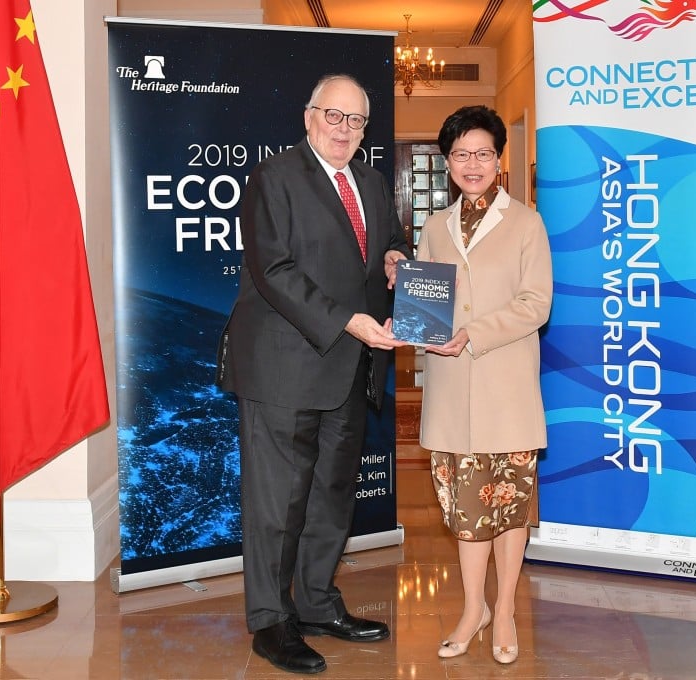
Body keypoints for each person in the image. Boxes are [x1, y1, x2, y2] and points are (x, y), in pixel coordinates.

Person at [218, 74, 412, 675]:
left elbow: (387, 243)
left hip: (349, 370)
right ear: (309, 117)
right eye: (334, 115)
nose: (344, 129)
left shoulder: (374, 184)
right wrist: (349, 320)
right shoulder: (273, 179)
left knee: (331, 498)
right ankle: (272, 622)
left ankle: (319, 604)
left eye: (356, 120)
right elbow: (274, 270)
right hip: (285, 368)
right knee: (278, 505)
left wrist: (394, 258)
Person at [417, 105, 552, 665]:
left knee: (508, 509)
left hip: (507, 387)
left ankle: (507, 607)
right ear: (448, 163)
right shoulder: (433, 226)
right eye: (460, 154)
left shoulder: (526, 223)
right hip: (451, 391)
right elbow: (425, 308)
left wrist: (474, 332)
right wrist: (420, 327)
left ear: (500, 160)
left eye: (483, 153)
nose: (472, 164)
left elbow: (535, 304)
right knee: (467, 513)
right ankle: (474, 609)